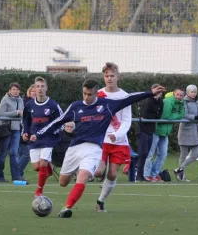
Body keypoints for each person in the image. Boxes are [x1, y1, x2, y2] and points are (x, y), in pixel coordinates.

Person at [37, 79, 165, 218]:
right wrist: (39, 134)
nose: (86, 97)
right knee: (63, 182)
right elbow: (58, 121)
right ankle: (61, 173)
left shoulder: (107, 105)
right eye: (84, 94)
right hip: (75, 148)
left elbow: (129, 99)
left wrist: (150, 93)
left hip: (94, 149)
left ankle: (67, 208)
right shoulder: (76, 106)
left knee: (83, 175)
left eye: (90, 94)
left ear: (96, 93)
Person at [94, 62, 133, 212]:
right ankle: (97, 172)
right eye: (106, 76)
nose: (109, 78)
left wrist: (117, 135)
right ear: (103, 77)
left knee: (112, 173)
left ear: (118, 77)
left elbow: (126, 120)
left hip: (119, 141)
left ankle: (101, 200)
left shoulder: (124, 96)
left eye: (112, 75)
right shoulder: (99, 94)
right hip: (101, 139)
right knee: (98, 171)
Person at [22, 77, 63, 197]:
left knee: (43, 163)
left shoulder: (53, 105)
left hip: (48, 139)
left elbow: (61, 121)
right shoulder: (29, 105)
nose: (39, 89)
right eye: (37, 86)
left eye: (42, 86)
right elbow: (25, 121)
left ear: (46, 88)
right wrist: (25, 133)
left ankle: (39, 191)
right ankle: (48, 169)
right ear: (34, 88)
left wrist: (54, 131)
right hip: (34, 139)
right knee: (36, 167)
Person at [143, 88, 185, 182]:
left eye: (181, 95)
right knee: (150, 154)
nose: (179, 97)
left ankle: (154, 174)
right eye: (177, 94)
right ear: (174, 94)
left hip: (165, 132)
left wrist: (175, 116)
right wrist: (176, 116)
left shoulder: (181, 103)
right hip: (157, 130)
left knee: (163, 155)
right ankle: (146, 175)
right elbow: (166, 116)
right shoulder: (168, 102)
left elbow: (182, 114)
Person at [175, 85, 198, 182]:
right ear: (187, 92)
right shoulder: (183, 102)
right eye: (191, 91)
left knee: (195, 154)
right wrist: (195, 117)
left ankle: (179, 169)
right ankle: (182, 177)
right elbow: (184, 114)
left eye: (195, 91)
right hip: (185, 130)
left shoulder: (197, 102)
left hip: (195, 131)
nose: (193, 93)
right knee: (183, 154)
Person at [0, 83, 24, 182]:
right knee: (3, 153)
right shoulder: (5, 100)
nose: (15, 91)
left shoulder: (20, 100)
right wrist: (15, 112)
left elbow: (22, 113)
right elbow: (1, 114)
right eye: (13, 89)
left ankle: (16, 176)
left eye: (17, 90)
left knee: (14, 153)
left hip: (16, 129)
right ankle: (0, 176)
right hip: (5, 129)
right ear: (9, 90)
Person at [136, 84, 164, 182]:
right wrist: (152, 117)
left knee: (146, 153)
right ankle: (138, 174)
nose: (158, 94)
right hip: (142, 129)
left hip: (151, 129)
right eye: (156, 91)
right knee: (142, 153)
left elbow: (159, 115)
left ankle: (141, 175)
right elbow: (144, 115)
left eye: (160, 92)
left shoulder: (160, 102)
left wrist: (152, 117)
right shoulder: (148, 100)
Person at [18, 84, 36, 179]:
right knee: (27, 153)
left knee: (23, 153)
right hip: (23, 130)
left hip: (31, 131)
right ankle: (18, 173)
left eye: (36, 91)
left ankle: (18, 174)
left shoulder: (38, 103)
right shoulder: (24, 102)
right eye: (32, 91)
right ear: (29, 92)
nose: (34, 93)